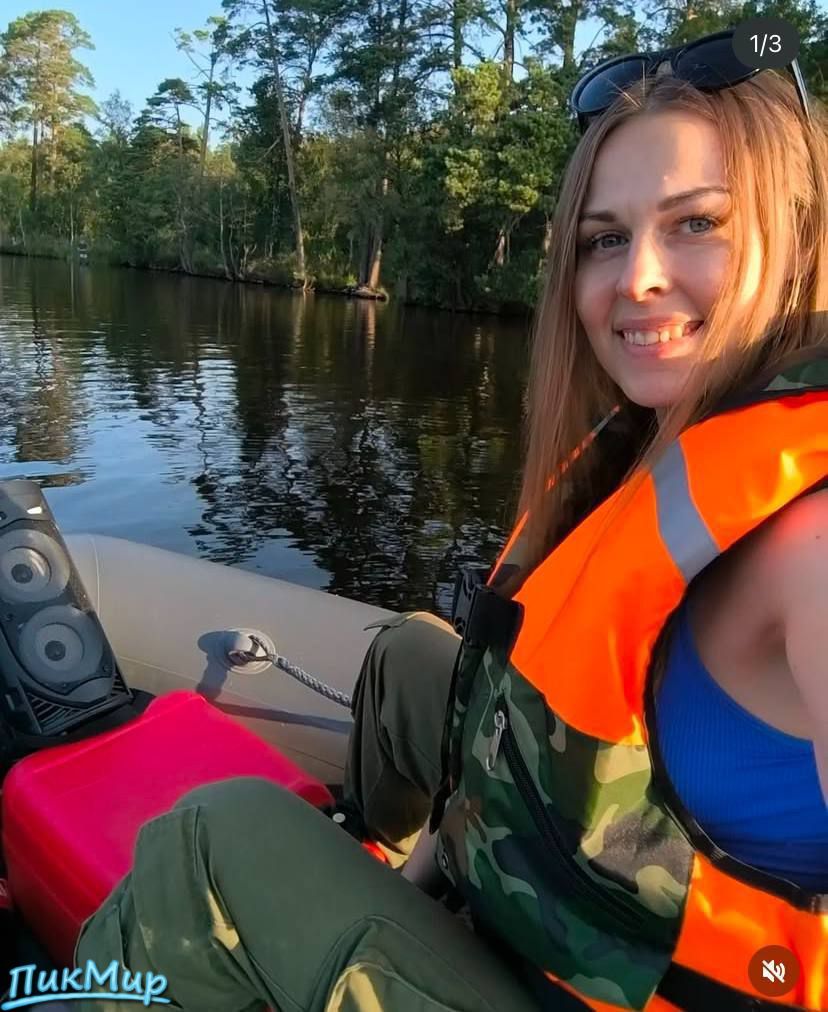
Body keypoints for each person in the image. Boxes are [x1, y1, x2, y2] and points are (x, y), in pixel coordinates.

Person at [74, 27, 828, 1012]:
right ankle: (382, 875)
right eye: (605, 238)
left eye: (696, 222)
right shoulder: (658, 444)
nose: (637, 275)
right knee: (409, 660)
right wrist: (415, 884)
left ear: (797, 235)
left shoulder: (810, 546)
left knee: (211, 840)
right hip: (571, 896)